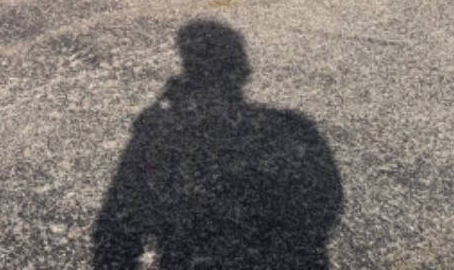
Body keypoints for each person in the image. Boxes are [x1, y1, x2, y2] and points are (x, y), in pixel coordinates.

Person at [93, 20, 343, 269]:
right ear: (243, 70)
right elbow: (325, 206)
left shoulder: (162, 134)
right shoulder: (292, 130)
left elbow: (116, 230)